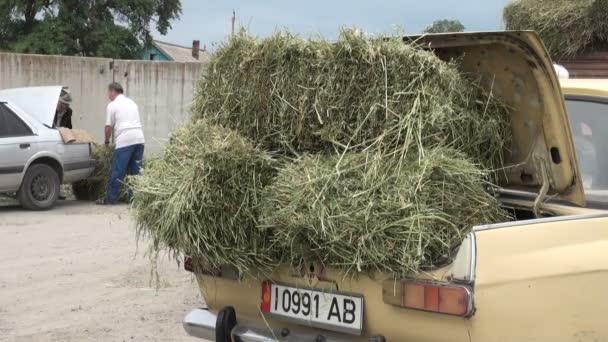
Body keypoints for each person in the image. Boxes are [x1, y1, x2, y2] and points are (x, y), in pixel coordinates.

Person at [97, 82, 145, 205]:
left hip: (125, 140)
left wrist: (107, 141)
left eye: (108, 92)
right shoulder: (132, 103)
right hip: (139, 139)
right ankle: (135, 199)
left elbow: (108, 127)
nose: (108, 95)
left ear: (113, 91)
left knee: (118, 171)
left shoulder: (112, 105)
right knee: (136, 172)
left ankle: (110, 199)